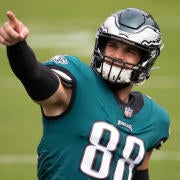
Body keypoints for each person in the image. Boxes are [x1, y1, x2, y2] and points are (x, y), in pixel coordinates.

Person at [0, 8, 170, 180]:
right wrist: (17, 46)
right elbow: (36, 78)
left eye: (130, 51)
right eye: (112, 45)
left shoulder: (154, 119)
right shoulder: (77, 84)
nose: (117, 56)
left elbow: (140, 173)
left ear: (145, 60)